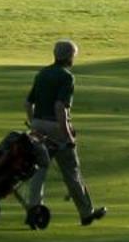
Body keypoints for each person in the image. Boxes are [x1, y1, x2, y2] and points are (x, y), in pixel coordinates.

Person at [23, 38, 106, 227]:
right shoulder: (66, 77)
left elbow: (28, 103)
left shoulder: (42, 73)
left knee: (39, 170)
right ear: (70, 57)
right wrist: (67, 136)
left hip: (38, 125)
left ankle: (33, 210)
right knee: (71, 171)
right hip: (56, 127)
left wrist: (34, 124)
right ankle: (86, 213)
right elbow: (61, 107)